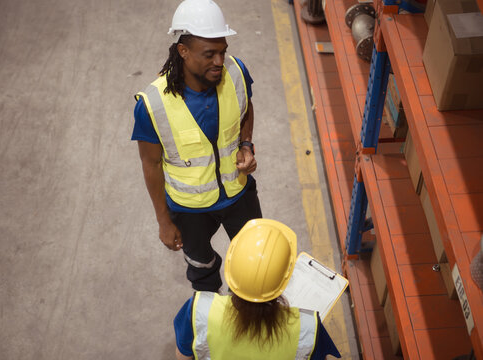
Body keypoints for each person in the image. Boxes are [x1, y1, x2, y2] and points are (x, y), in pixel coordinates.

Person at [132, 0, 262, 292]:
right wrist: (164, 222)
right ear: (183, 51)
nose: (219, 61)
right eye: (209, 54)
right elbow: (150, 164)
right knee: (201, 267)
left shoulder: (236, 72)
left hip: (238, 195)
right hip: (189, 209)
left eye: (222, 51)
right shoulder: (153, 104)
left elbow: (246, 108)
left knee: (256, 262)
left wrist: (246, 144)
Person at [173, 219, 341, 359]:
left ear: (231, 266)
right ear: (286, 278)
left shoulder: (198, 311)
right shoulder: (307, 328)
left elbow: (183, 357)